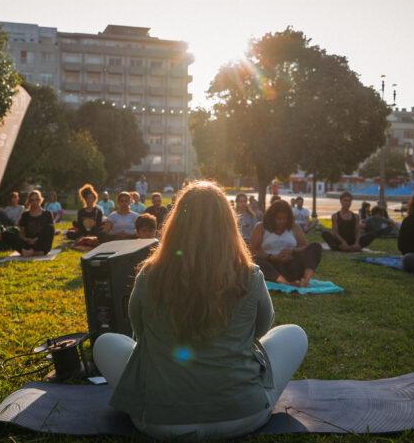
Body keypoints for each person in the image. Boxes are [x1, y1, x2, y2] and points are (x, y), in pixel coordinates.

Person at [93, 181, 308, 442]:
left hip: (158, 420)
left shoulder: (150, 275)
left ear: (175, 224)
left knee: (106, 343)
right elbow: (261, 329)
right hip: (244, 415)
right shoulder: (249, 275)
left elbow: (139, 333)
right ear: (228, 225)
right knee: (294, 334)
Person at [250, 199, 322, 287]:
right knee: (255, 262)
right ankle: (285, 282)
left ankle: (305, 280)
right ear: (271, 217)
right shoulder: (260, 227)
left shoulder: (294, 226)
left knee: (315, 246)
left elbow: (305, 247)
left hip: (292, 265)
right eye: (278, 219)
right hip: (271, 266)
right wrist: (273, 257)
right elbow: (253, 251)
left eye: (285, 218)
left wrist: (292, 251)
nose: (282, 221)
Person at [12, 190, 55, 257]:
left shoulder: (47, 214)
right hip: (27, 244)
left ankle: (33, 252)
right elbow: (21, 233)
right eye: (32, 200)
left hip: (41, 245)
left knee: (50, 227)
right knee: (9, 232)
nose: (35, 202)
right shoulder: (25, 215)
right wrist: (27, 239)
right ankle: (29, 252)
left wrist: (36, 239)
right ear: (29, 201)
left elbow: (49, 232)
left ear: (41, 200)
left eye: (37, 199)